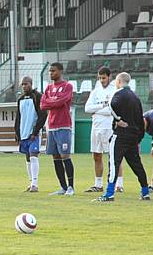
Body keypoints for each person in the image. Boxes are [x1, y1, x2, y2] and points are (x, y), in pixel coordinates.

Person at [94, 73, 150, 202]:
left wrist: (117, 119)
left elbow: (111, 105)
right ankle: (145, 191)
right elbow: (140, 119)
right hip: (133, 136)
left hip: (121, 135)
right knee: (137, 164)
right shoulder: (135, 97)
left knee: (114, 163)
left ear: (118, 81)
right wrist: (139, 137)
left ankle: (109, 194)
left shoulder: (118, 94)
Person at [83, 67, 122, 193]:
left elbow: (112, 110)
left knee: (114, 156)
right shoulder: (95, 91)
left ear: (109, 77)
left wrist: (97, 110)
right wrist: (102, 106)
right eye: (99, 78)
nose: (101, 80)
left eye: (104, 78)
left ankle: (118, 184)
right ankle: (98, 184)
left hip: (109, 127)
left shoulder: (114, 90)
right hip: (96, 127)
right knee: (96, 155)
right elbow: (87, 108)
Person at [40, 62, 75, 196]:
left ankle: (71, 187)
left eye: (53, 71)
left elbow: (62, 101)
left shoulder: (67, 86)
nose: (51, 73)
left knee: (65, 155)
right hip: (51, 127)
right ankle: (63, 187)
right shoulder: (48, 88)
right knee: (55, 156)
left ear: (60, 71)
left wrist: (52, 102)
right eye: (49, 71)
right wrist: (54, 102)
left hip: (63, 125)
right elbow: (43, 105)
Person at [14, 76, 47, 192]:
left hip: (34, 133)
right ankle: (30, 182)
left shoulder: (37, 97)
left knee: (33, 155)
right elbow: (18, 117)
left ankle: (35, 183)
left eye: (26, 84)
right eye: (22, 84)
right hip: (23, 133)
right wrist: (17, 132)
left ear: (31, 84)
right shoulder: (20, 99)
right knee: (27, 157)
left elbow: (43, 115)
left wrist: (36, 131)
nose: (24, 86)